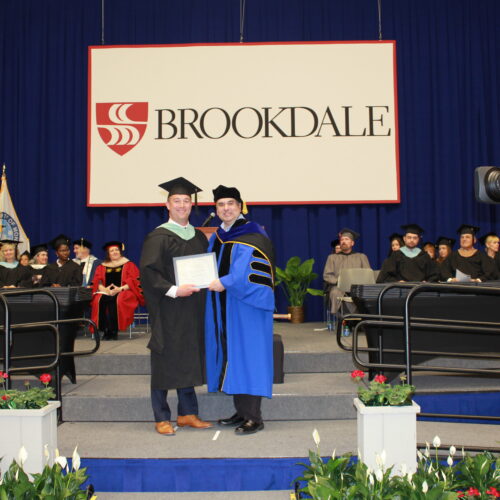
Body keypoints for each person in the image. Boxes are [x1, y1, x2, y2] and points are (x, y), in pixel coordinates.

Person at [140, 177, 212, 436]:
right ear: (167, 205)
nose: (182, 205)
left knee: (188, 356)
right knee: (165, 358)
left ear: (192, 206)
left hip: (193, 307)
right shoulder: (158, 236)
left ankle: (187, 413)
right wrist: (173, 290)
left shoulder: (198, 237)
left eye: (186, 201)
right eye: (176, 201)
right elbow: (148, 273)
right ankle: (161, 415)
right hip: (169, 307)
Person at [205, 185, 275, 435]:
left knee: (250, 356)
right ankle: (241, 412)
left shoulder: (253, 234)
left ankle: (254, 417)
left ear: (240, 206)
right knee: (232, 354)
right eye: (221, 205)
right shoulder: (217, 236)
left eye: (230, 204)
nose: (225, 209)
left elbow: (247, 271)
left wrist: (223, 282)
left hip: (248, 306)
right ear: (216, 209)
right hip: (225, 305)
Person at [91, 241, 144, 340]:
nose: (115, 252)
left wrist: (120, 289)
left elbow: (134, 281)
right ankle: (105, 329)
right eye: (112, 251)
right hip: (106, 291)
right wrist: (105, 290)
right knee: (98, 300)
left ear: (120, 252)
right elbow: (97, 282)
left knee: (117, 300)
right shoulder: (102, 266)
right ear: (108, 253)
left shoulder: (129, 264)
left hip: (124, 291)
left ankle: (114, 330)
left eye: (117, 250)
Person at [323, 228, 371, 326]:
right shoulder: (332, 258)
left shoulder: (361, 257)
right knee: (335, 293)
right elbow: (327, 275)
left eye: (346, 239)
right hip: (339, 286)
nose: (343, 241)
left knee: (364, 294)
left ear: (352, 243)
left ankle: (358, 321)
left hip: (357, 287)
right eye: (342, 240)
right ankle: (347, 321)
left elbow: (368, 274)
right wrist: (339, 281)